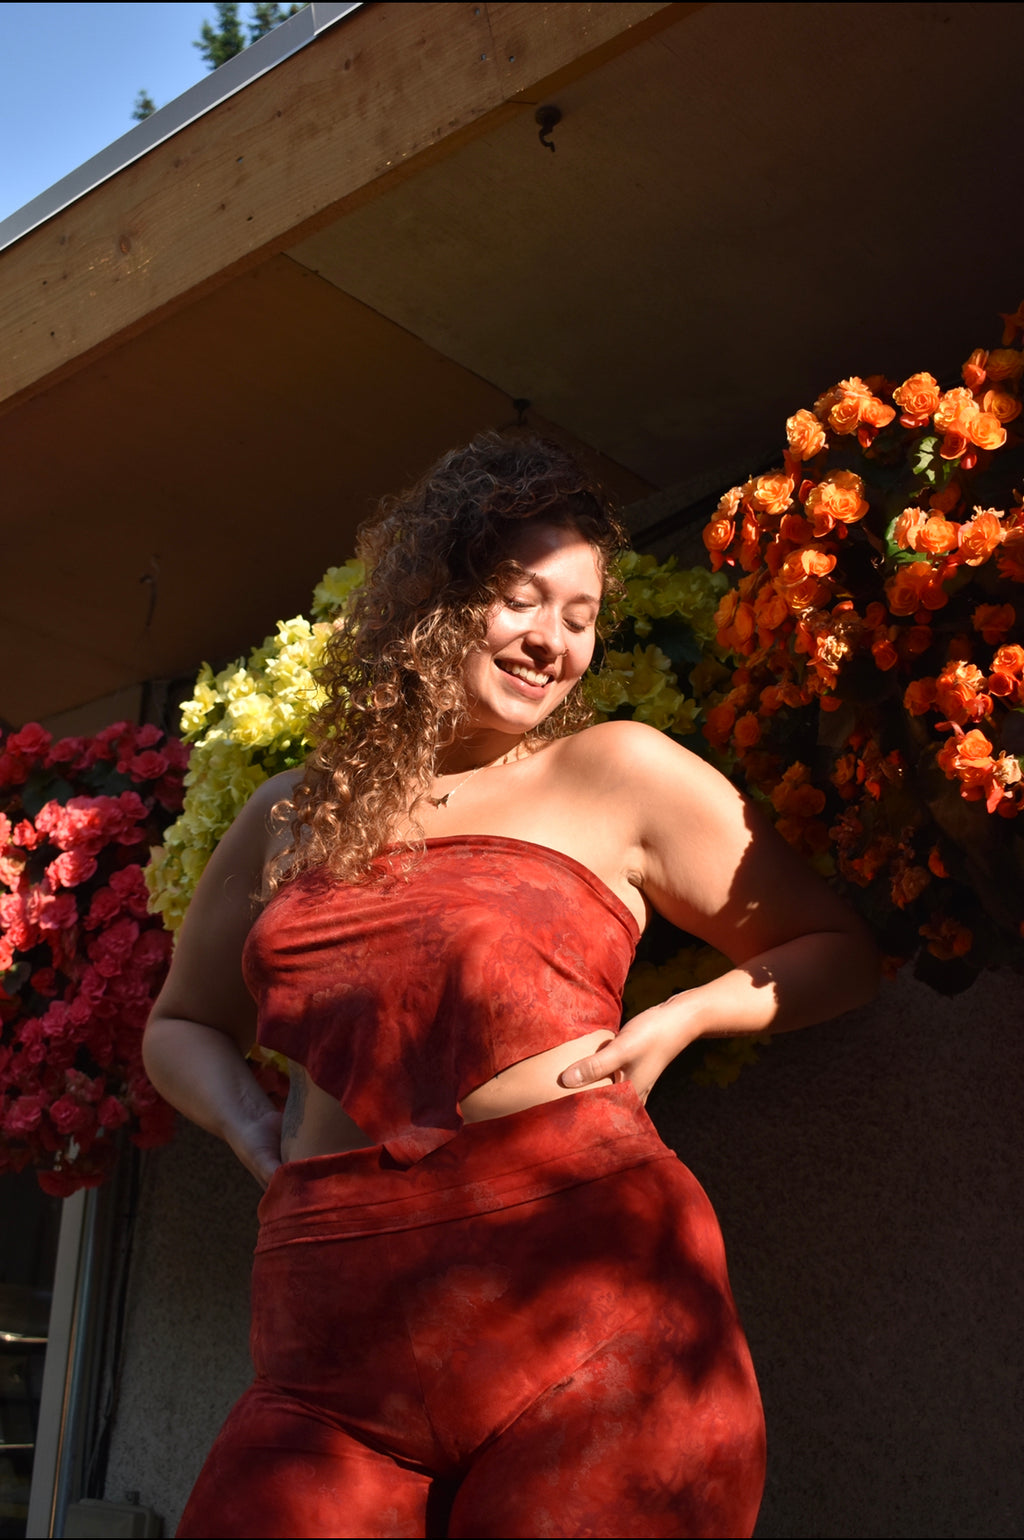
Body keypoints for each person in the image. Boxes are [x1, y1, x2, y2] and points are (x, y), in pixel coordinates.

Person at [143, 433, 879, 1540]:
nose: (553, 643)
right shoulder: (292, 812)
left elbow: (835, 945)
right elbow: (183, 1022)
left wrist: (684, 1015)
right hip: (332, 1336)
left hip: (591, 1312)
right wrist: (251, 1123)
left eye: (580, 617)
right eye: (522, 600)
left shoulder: (615, 772)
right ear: (431, 600)